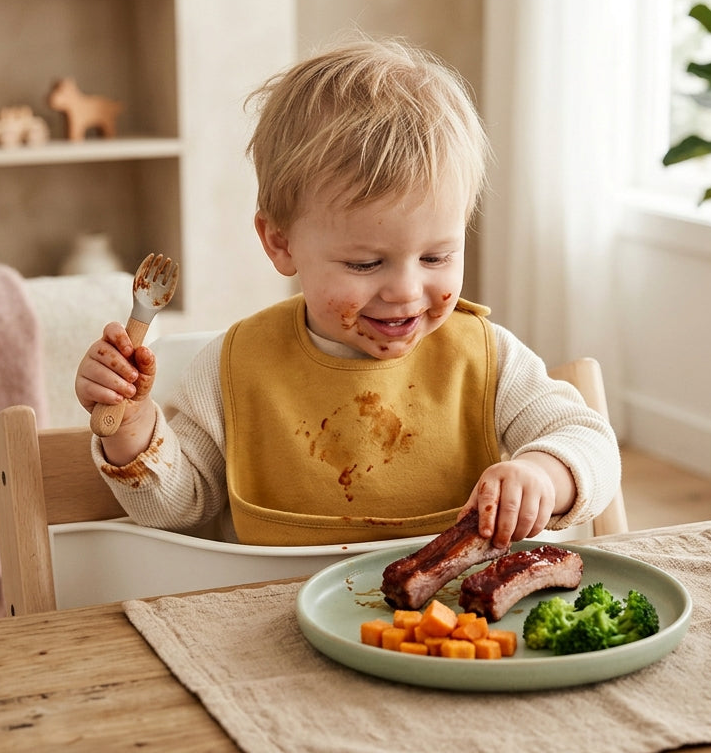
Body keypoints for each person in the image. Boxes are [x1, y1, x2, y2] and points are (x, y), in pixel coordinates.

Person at [75, 37, 620, 548]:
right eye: (365, 263)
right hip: (272, 630)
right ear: (281, 242)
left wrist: (543, 474)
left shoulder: (486, 359)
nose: (407, 291)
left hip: (452, 636)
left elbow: (589, 442)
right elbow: (179, 508)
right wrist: (133, 431)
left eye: (436, 257)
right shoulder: (233, 368)